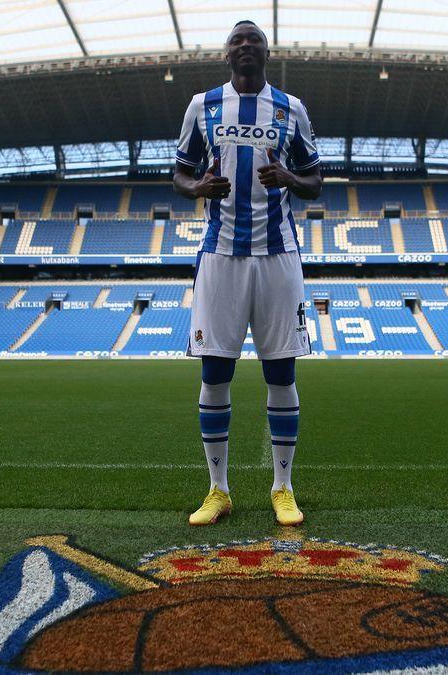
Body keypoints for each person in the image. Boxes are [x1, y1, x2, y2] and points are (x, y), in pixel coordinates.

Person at [172, 19, 323, 526]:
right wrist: (196, 189)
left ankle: (283, 488)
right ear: (227, 54)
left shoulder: (290, 108)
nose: (245, 47)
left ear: (265, 53)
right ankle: (218, 490)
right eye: (237, 41)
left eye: (253, 41)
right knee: (215, 371)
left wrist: (289, 176)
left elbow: (316, 179)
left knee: (281, 371)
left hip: (279, 256)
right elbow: (179, 171)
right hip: (220, 256)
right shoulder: (202, 106)